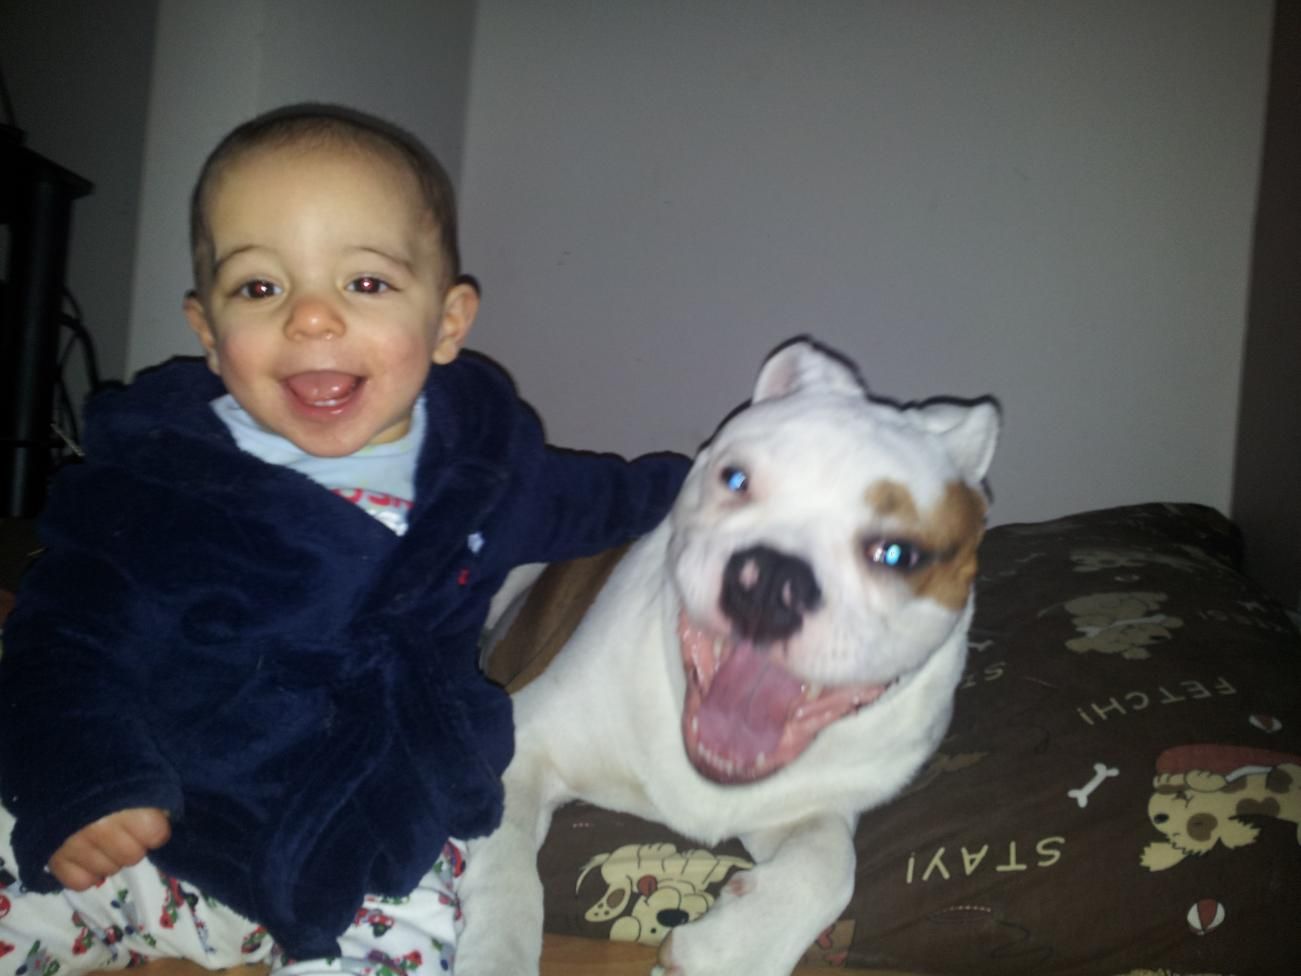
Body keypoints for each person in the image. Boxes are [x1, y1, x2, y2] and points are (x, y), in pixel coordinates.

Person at [0, 103, 687, 976]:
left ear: (447, 322)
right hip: (158, 830)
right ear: (208, 333)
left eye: (364, 283)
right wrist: (85, 782)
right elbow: (62, 644)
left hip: (368, 847)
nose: (312, 319)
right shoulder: (156, 486)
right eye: (260, 288)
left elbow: (616, 497)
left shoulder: (487, 470)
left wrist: (723, 482)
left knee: (438, 921)